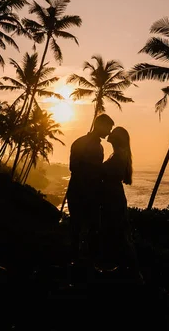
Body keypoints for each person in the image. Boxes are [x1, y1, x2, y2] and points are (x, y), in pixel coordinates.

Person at [64, 113, 114, 265]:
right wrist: (98, 169)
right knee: (77, 228)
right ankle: (74, 261)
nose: (109, 132)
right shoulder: (81, 143)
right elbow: (74, 167)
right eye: (108, 128)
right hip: (79, 191)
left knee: (93, 229)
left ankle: (89, 263)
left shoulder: (98, 146)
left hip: (91, 192)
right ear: (100, 125)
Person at [97, 126, 143, 283]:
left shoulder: (119, 157)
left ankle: (130, 271)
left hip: (113, 197)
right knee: (115, 232)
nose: (109, 135)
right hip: (112, 196)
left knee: (118, 232)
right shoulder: (118, 155)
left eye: (113, 135)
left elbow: (104, 172)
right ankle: (123, 268)